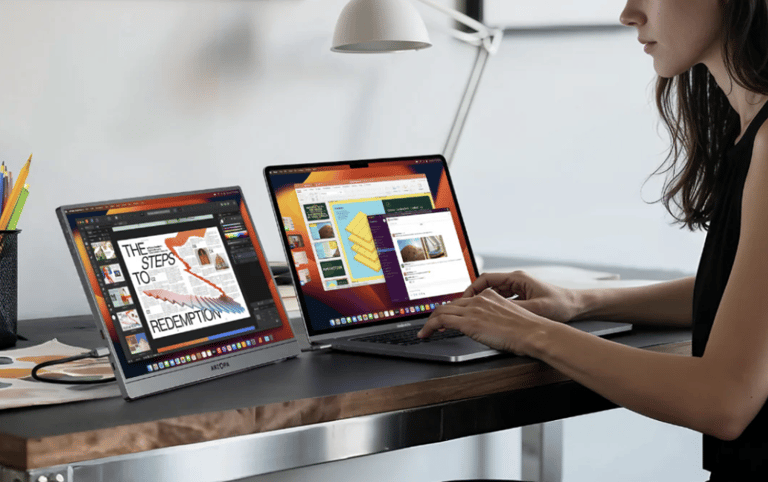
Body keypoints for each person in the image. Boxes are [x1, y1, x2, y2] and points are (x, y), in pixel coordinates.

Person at [419, 0, 768, 480]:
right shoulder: (749, 126)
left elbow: (725, 400)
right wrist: (579, 301)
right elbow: (737, 297)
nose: (629, 13)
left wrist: (530, 333)